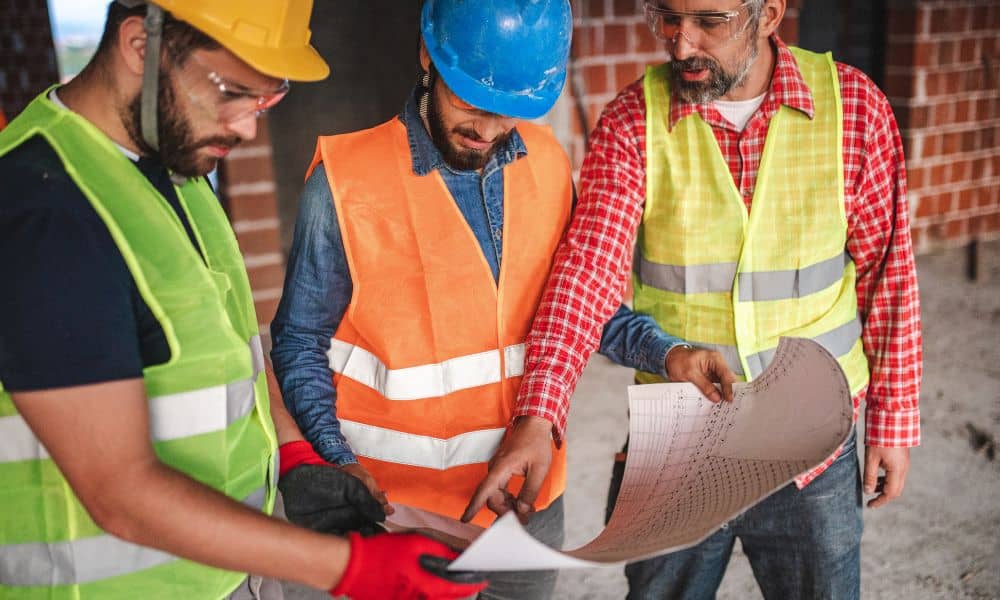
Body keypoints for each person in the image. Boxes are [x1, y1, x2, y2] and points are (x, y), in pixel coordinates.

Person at [0, 1, 488, 598]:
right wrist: (346, 567)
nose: (248, 126)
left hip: (224, 576)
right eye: (232, 91)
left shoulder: (170, 170)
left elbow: (230, 359)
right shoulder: (46, 208)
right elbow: (119, 492)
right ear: (137, 46)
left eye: (266, 99)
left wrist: (292, 453)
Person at [470, 0, 923, 598]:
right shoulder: (634, 120)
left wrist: (892, 420)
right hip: (679, 450)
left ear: (768, 14)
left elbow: (888, 273)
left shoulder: (854, 109)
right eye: (665, 18)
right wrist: (538, 417)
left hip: (811, 450)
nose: (680, 46)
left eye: (708, 22)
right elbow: (585, 278)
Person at [269, 0, 573, 597]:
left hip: (527, 499)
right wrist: (333, 456)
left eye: (508, 111)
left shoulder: (551, 164)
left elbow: (575, 309)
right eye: (470, 102)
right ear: (426, 55)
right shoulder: (343, 182)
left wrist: (666, 351)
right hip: (395, 513)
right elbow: (299, 341)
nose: (486, 129)